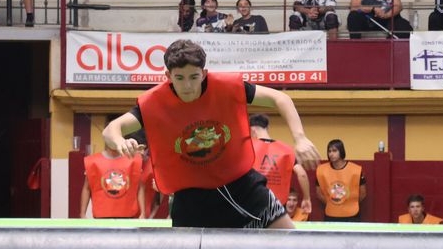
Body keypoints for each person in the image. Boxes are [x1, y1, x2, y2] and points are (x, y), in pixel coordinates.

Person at [102, 39, 322, 229]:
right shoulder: (153, 102)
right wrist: (120, 141)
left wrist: (300, 138)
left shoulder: (227, 87)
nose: (188, 85)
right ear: (168, 76)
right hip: (190, 198)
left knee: (289, 242)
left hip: (241, 187)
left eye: (194, 77)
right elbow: (111, 129)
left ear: (204, 73)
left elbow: (280, 98)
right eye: (179, 78)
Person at [249, 113, 311, 214]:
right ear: (267, 128)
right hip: (277, 206)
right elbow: (302, 174)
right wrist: (307, 198)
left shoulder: (247, 148)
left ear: (252, 130)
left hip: (252, 204)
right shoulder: (287, 150)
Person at [79, 146, 145, 219]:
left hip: (128, 215)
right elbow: (87, 188)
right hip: (102, 216)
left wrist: (143, 212)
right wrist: (82, 213)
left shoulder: (133, 160)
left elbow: (139, 186)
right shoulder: (93, 161)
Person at [315, 139, 365, 222]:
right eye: (329, 151)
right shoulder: (321, 170)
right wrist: (333, 204)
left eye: (334, 151)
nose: (331, 154)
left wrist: (350, 204)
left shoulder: (356, 170)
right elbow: (319, 193)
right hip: (331, 213)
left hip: (352, 214)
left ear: (341, 151)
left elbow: (363, 193)